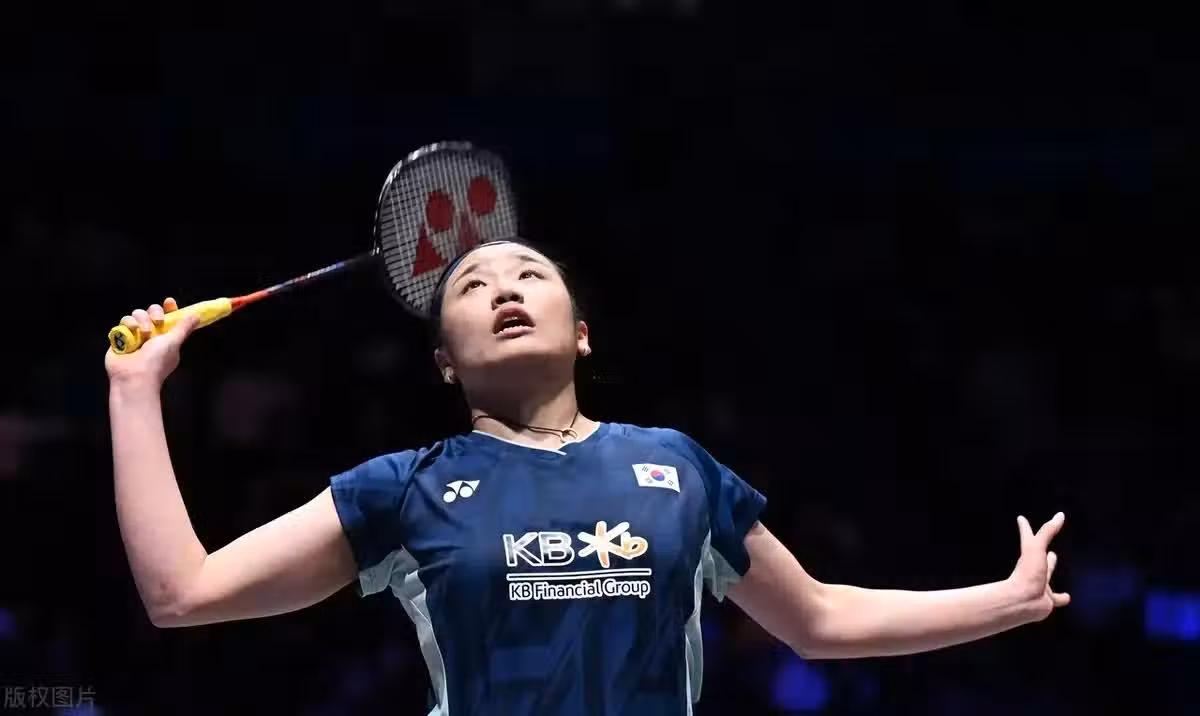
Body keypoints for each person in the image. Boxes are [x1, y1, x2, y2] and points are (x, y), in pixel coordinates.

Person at [106, 238, 1070, 715]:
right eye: (472, 286)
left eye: (530, 274)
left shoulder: (676, 467)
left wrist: (1005, 601)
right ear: (445, 362)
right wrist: (134, 390)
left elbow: (817, 619)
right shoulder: (404, 488)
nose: (504, 287)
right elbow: (182, 594)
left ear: (581, 334)